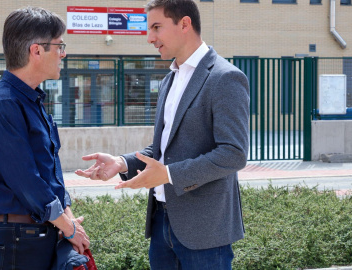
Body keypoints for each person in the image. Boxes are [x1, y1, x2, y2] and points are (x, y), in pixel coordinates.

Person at [75, 0, 249, 269]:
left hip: (205, 232)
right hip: (160, 224)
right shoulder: (170, 79)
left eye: (156, 27)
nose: (149, 38)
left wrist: (168, 175)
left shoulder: (225, 78)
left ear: (184, 24)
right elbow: (164, 148)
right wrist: (122, 163)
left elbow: (233, 154)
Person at [0, 7, 89, 270]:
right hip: (19, 242)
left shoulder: (32, 100)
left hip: (42, 234)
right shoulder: (2, 104)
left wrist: (69, 222)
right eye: (59, 46)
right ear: (36, 50)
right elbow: (26, 180)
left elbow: (51, 174)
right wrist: (68, 226)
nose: (63, 54)